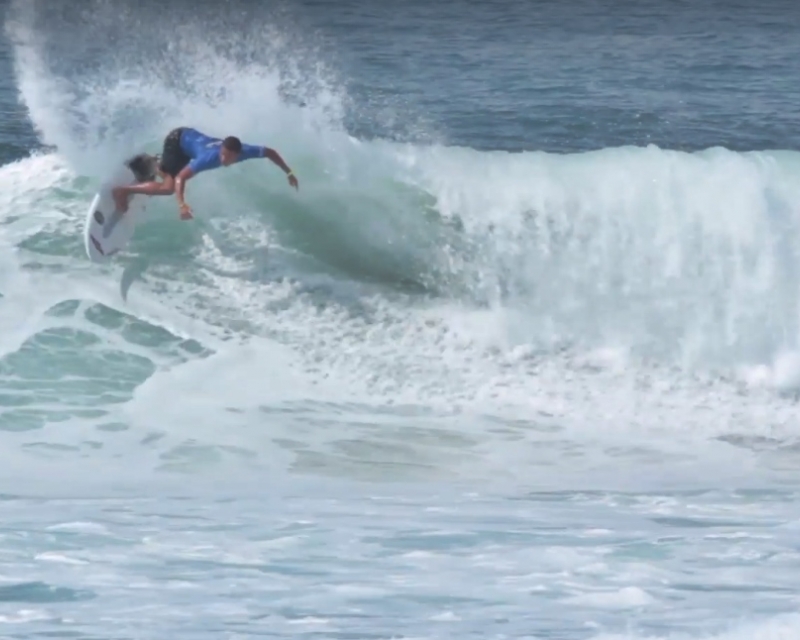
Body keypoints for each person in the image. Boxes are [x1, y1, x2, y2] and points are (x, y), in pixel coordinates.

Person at [112, 126, 299, 220]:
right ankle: (123, 191)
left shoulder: (247, 151)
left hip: (187, 142)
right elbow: (182, 178)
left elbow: (270, 152)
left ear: (238, 154)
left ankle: (153, 163)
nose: (224, 160)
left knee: (171, 172)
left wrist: (288, 172)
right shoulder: (210, 158)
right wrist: (182, 205)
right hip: (177, 142)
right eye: (223, 155)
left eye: (229, 157)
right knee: (169, 187)